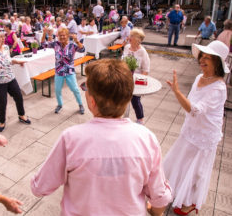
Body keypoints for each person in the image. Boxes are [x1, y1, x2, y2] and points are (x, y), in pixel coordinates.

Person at [31, 58, 172, 216]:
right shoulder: (147, 139)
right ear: (127, 100)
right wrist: (155, 211)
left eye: (86, 88)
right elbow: (159, 197)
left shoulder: (71, 138)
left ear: (92, 101)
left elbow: (40, 187)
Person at [164, 40, 229, 215]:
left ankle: (190, 201)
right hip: (191, 130)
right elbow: (192, 104)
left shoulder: (219, 88)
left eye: (208, 58)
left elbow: (196, 110)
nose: (202, 60)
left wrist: (177, 92)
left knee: (197, 171)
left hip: (205, 136)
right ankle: (174, 193)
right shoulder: (199, 77)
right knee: (181, 162)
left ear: (217, 62)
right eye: (202, 56)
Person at [0, 32, 31, 132]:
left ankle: (21, 115)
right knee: (2, 102)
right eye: (0, 37)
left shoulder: (6, 47)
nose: (3, 39)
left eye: (4, 37)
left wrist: (17, 62)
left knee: (18, 96)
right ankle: (2, 121)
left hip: (10, 77)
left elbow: (8, 59)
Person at [41, 27, 85, 114]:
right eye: (60, 36)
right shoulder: (55, 44)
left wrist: (76, 40)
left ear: (67, 36)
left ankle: (80, 104)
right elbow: (43, 44)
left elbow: (83, 49)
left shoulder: (72, 45)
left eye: (64, 35)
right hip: (59, 71)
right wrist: (44, 33)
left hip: (70, 71)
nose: (62, 37)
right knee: (57, 90)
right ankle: (60, 105)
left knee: (75, 89)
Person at [121, 29, 150, 125]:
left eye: (132, 36)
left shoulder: (143, 52)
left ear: (138, 39)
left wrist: (138, 83)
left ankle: (140, 119)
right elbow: (122, 61)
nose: (129, 38)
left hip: (136, 80)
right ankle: (122, 118)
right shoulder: (126, 47)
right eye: (130, 35)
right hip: (124, 78)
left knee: (135, 100)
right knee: (122, 99)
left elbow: (146, 70)